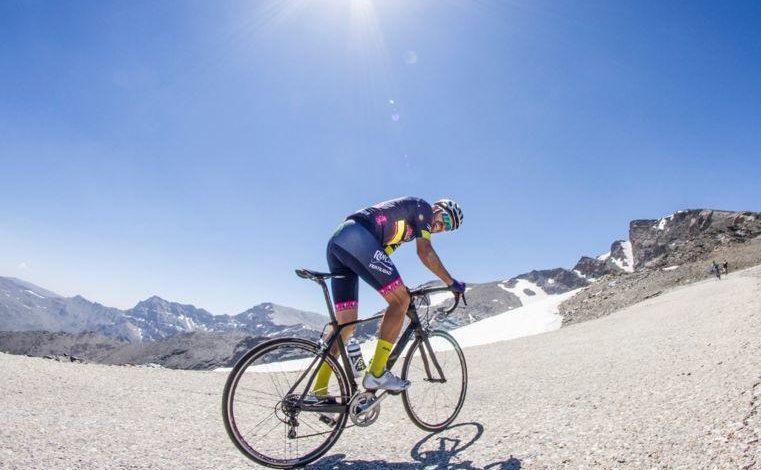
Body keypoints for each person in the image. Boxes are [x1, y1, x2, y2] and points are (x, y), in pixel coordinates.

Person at [313, 197, 464, 397]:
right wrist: (451, 282)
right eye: (445, 219)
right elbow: (425, 252)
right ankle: (376, 372)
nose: (440, 226)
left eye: (446, 228)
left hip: (340, 243)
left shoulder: (404, 233)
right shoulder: (424, 208)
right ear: (437, 208)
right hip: (356, 237)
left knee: (346, 326)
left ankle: (318, 391)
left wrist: (398, 287)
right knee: (401, 300)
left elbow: (380, 257)